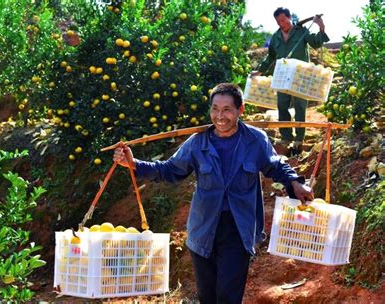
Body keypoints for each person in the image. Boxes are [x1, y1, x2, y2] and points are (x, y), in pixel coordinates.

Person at [113, 83, 314, 303]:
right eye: (215, 109)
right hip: (204, 227)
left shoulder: (255, 140)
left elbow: (275, 165)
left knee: (228, 296)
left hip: (238, 228)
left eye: (227, 109)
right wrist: (134, 164)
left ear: (241, 110)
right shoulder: (198, 142)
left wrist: (295, 182)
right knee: (207, 297)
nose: (220, 116)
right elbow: (170, 171)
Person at [253, 7, 329, 153]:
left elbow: (316, 42)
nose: (281, 24)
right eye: (278, 21)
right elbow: (270, 57)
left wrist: (321, 25)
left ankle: (299, 138)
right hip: (283, 75)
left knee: (300, 106)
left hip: (301, 76)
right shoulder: (275, 37)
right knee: (282, 105)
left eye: (283, 20)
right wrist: (260, 71)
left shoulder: (301, 31)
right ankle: (286, 136)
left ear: (289, 18)